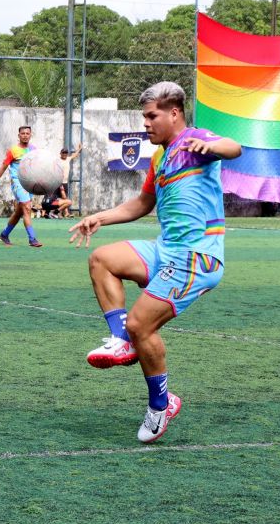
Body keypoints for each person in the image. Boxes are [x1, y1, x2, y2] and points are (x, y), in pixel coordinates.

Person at [68, 82, 241, 443]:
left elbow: (234, 147)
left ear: (174, 113)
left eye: (152, 116)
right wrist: (100, 217)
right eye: (144, 116)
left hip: (198, 257)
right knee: (102, 259)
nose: (145, 123)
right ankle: (121, 340)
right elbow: (140, 205)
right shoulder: (160, 157)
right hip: (166, 248)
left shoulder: (195, 140)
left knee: (140, 324)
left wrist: (211, 145)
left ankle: (161, 407)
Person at [0, 126, 42, 247]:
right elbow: (3, 167)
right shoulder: (13, 151)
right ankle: (32, 239)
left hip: (29, 184)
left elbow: (36, 167)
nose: (25, 135)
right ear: (18, 135)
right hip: (18, 183)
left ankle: (4, 235)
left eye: (27, 133)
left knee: (20, 211)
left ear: (30, 135)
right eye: (22, 133)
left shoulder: (34, 150)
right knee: (27, 207)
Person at [58, 143, 82, 217]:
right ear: (60, 153)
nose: (65, 154)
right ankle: (62, 212)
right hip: (59, 182)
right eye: (63, 153)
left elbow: (74, 155)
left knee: (64, 198)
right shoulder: (57, 160)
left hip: (65, 182)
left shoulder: (68, 159)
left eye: (66, 153)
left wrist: (80, 148)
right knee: (64, 197)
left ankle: (65, 213)